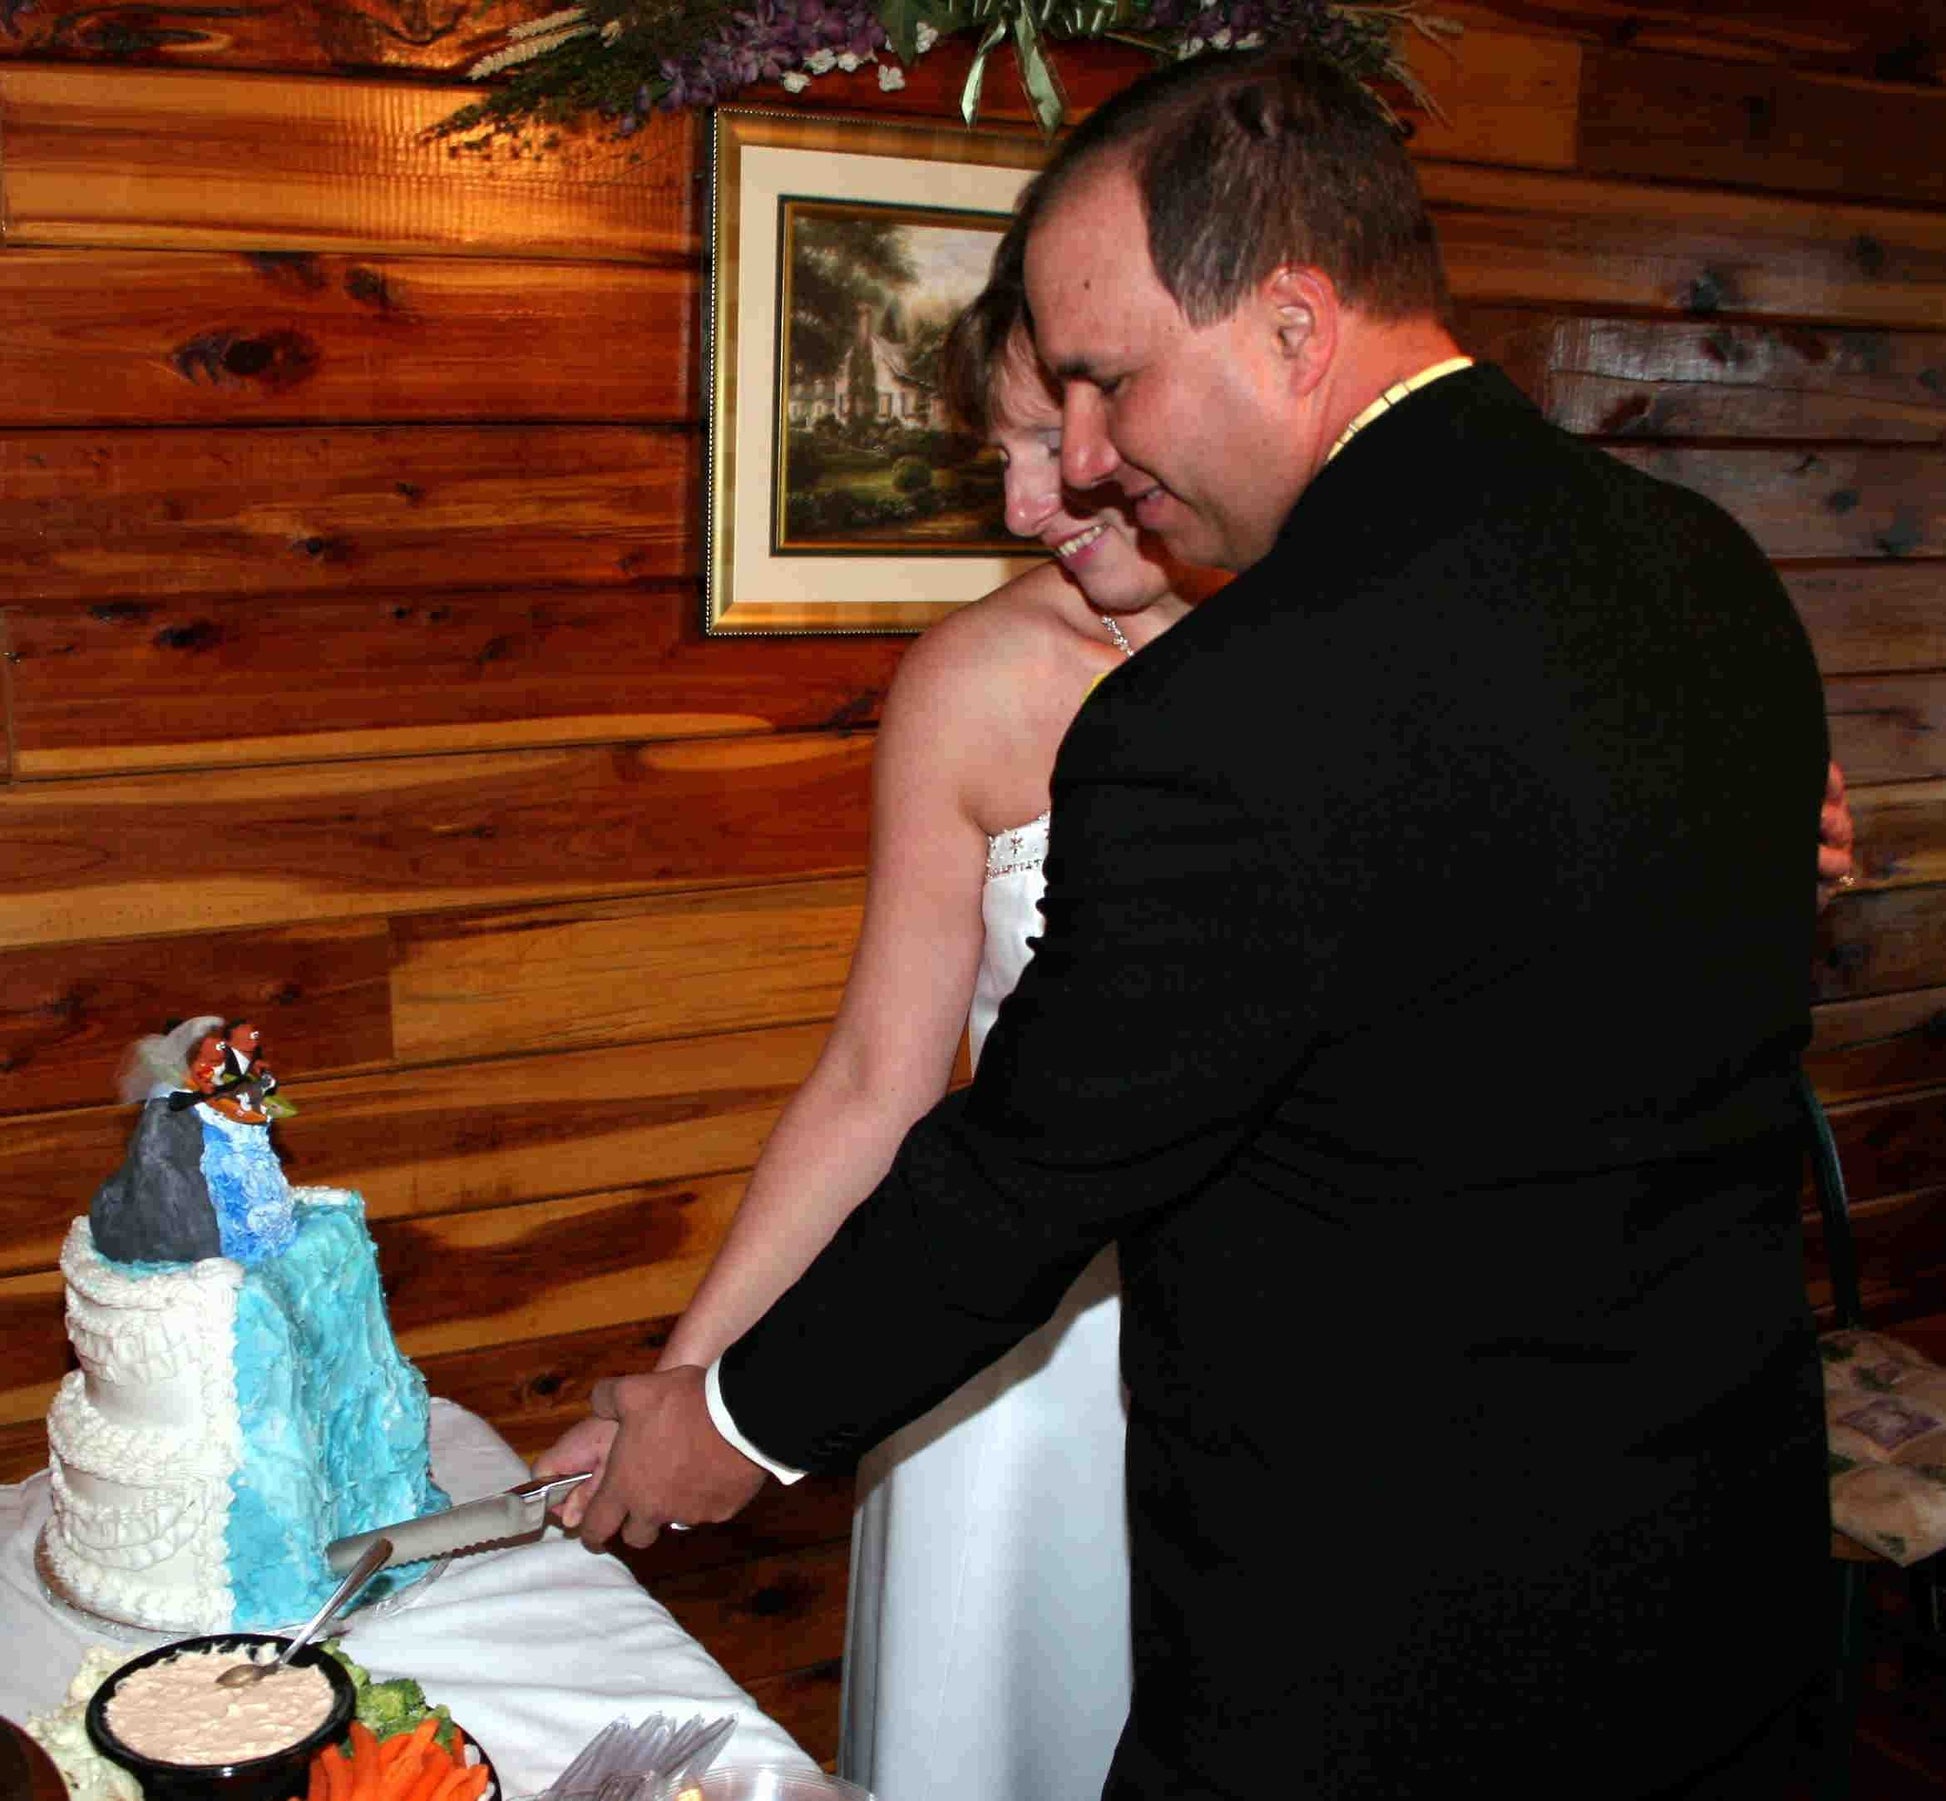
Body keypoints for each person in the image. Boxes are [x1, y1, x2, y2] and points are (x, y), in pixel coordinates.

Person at [545, 52, 1847, 1795]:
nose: (1082, 459)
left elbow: (1026, 1168)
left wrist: (724, 1425)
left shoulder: (1229, 708)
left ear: (1295, 330)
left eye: (1108, 383)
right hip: (1717, 1585)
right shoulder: (1709, 572)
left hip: (1378, 1645)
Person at [642, 271, 1194, 1801]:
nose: (1026, 504)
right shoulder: (974, 684)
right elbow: (877, 1077)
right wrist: (695, 1377)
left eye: (1053, 448)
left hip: (1295, 1352)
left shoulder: (1360, 657)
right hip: (1008, 1362)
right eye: (997, 458)